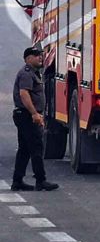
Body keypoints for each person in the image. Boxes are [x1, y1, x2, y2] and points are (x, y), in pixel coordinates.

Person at [10, 46, 57, 193]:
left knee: (24, 149)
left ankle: (17, 181)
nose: (40, 57)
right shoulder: (26, 74)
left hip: (25, 115)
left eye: (41, 55)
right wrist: (34, 114)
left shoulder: (33, 73)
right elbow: (24, 94)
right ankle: (40, 180)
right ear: (28, 58)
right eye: (37, 55)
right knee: (36, 147)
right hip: (26, 115)